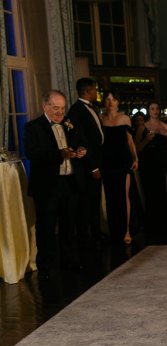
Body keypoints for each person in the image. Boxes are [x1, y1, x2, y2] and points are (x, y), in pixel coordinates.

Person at [24, 90, 87, 279]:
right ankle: (47, 267)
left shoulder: (69, 123)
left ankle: (70, 261)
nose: (60, 112)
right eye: (56, 108)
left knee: (69, 224)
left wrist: (82, 150)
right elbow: (33, 154)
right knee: (46, 227)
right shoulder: (33, 127)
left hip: (69, 181)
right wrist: (60, 154)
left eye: (62, 107)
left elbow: (80, 142)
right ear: (45, 106)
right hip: (47, 185)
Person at [67, 77, 104, 244]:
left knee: (94, 201)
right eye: (95, 90)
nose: (96, 93)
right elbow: (80, 142)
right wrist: (93, 167)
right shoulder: (76, 111)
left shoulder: (90, 108)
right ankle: (86, 237)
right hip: (87, 166)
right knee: (87, 203)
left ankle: (96, 233)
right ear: (88, 91)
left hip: (96, 160)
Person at [100, 90, 138, 245]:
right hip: (107, 162)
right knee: (110, 198)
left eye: (113, 99)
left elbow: (130, 141)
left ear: (118, 101)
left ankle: (126, 230)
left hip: (123, 161)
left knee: (124, 196)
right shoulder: (100, 119)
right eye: (108, 99)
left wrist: (136, 157)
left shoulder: (125, 119)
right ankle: (114, 230)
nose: (110, 102)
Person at [134, 101, 167, 243]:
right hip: (148, 165)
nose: (155, 111)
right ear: (148, 111)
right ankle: (152, 226)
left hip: (163, 164)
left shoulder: (166, 126)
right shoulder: (142, 128)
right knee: (150, 194)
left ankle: (164, 225)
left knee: (163, 192)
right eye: (152, 108)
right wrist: (147, 139)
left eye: (157, 108)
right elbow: (137, 148)